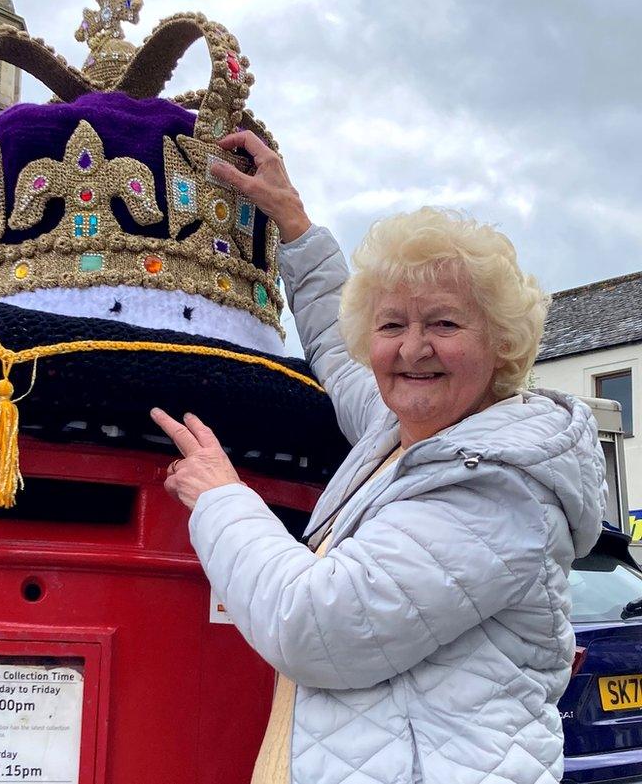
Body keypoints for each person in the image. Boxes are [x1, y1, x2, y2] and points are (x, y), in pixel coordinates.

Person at [151, 131, 606, 784]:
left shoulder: (498, 485)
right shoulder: (400, 433)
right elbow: (340, 356)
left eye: (444, 324)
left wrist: (221, 497)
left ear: (502, 344)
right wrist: (294, 222)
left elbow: (314, 626)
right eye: (392, 325)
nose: (412, 348)